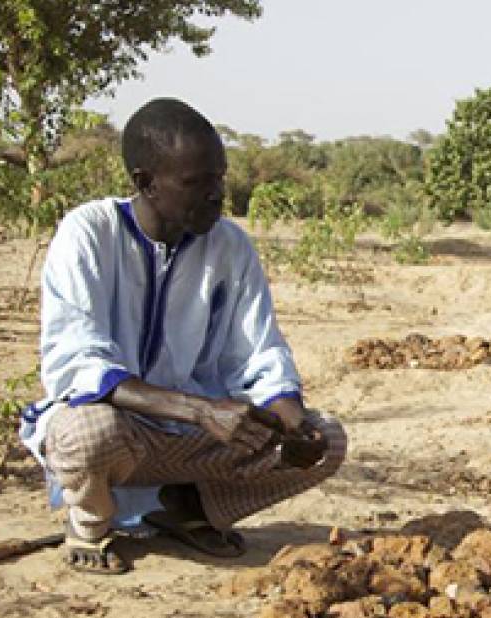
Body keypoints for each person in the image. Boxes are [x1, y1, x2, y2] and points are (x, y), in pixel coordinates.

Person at [19, 98, 344, 574]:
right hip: (124, 434)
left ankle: (184, 509)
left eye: (220, 179)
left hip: (197, 438)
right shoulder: (88, 233)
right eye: (197, 182)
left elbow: (258, 354)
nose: (217, 195)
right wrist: (200, 410)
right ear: (146, 182)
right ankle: (90, 522)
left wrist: (293, 424)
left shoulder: (230, 246)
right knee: (85, 431)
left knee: (328, 440)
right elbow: (79, 366)